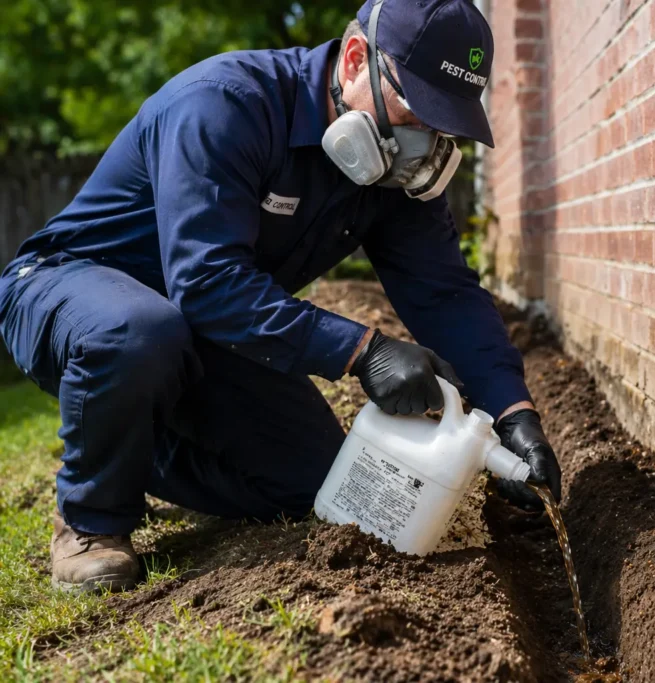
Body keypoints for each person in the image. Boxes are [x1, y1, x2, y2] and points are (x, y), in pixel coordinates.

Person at [0, 0, 561, 593]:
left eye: (441, 127)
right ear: (353, 60)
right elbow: (207, 280)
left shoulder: (386, 172)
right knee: (139, 331)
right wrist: (363, 351)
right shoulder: (224, 106)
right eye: (415, 111)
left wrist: (512, 413)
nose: (421, 143)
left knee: (317, 477)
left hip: (193, 326)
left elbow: (445, 294)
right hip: (70, 288)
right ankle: (91, 516)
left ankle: (124, 441)